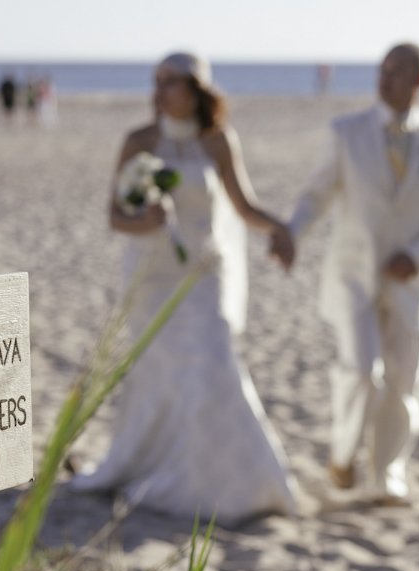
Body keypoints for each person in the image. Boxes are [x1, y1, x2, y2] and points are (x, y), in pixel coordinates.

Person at [69, 51, 297, 526]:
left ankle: (222, 481)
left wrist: (279, 228)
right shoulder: (139, 141)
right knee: (159, 373)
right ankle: (159, 467)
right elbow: (114, 215)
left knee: (214, 364)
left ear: (196, 89)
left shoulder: (217, 141)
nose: (159, 90)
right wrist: (144, 219)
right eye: (155, 80)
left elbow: (243, 204)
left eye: (170, 81)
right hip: (151, 276)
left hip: (203, 275)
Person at [285, 43, 419, 506]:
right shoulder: (346, 132)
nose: (385, 79)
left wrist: (417, 255)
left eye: (397, 72)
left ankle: (389, 470)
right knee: (362, 370)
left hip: (411, 283)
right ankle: (343, 455)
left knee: (405, 382)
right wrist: (291, 233)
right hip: (353, 278)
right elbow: (316, 194)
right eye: (382, 70)